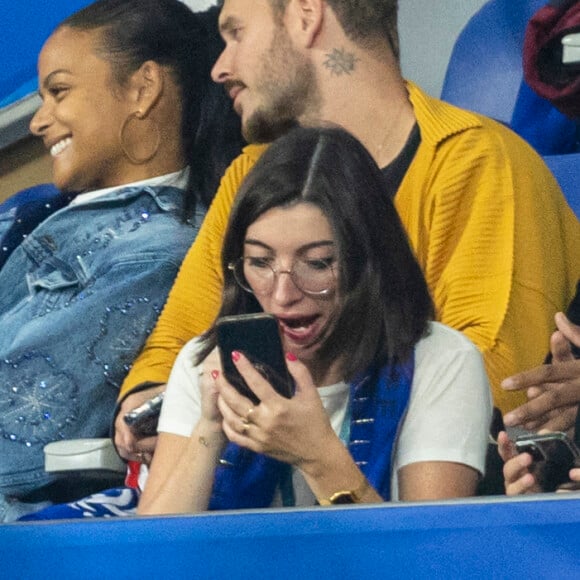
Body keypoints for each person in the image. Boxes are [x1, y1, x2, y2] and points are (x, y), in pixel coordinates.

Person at [115, 0, 580, 465]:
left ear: (306, 14)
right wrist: (153, 403)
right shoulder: (249, 174)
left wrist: (285, 418)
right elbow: (176, 347)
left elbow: (485, 390)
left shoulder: (477, 162)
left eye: (235, 34)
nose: (220, 67)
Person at [137, 126, 492, 515]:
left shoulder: (442, 361)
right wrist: (208, 430)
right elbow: (153, 553)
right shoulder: (206, 363)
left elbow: (427, 560)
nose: (283, 295)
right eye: (260, 262)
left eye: (318, 263)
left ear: (370, 262)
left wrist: (318, 457)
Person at [0, 0, 243, 522]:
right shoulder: (33, 210)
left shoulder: (158, 251)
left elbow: (22, 426)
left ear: (142, 89)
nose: (40, 121)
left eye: (59, 92)